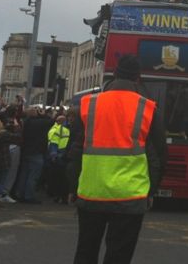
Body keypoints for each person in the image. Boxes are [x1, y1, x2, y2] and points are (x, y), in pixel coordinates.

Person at [69, 55, 167, 264]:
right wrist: (151, 191)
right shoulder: (148, 108)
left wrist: (71, 187)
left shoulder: (89, 105)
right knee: (119, 256)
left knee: (85, 251)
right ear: (138, 79)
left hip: (91, 193)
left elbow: (75, 151)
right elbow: (158, 156)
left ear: (114, 74)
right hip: (130, 197)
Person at [16, 107, 53, 204]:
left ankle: (20, 194)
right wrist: (43, 114)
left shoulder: (26, 122)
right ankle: (29, 196)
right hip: (36, 152)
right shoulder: (40, 123)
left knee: (24, 174)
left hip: (26, 151)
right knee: (33, 176)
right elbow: (51, 121)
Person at [47, 115, 70, 203]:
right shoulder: (60, 129)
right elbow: (54, 142)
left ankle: (60, 196)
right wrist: (54, 154)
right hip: (61, 155)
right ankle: (60, 196)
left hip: (63, 155)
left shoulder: (63, 129)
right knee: (61, 178)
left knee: (62, 178)